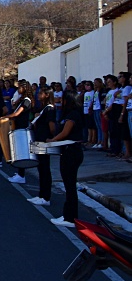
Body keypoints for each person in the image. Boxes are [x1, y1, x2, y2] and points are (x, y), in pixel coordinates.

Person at [49, 91, 85, 227]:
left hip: (72, 151)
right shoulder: (70, 114)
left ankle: (70, 218)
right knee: (69, 185)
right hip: (69, 151)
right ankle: (69, 215)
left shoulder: (73, 115)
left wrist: (51, 140)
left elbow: (65, 133)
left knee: (70, 186)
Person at [27, 87, 56, 206]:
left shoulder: (50, 109)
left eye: (41, 93)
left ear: (47, 95)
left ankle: (46, 197)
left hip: (44, 141)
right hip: (38, 140)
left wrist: (52, 139)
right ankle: (41, 194)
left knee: (45, 168)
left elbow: (52, 127)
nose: (39, 95)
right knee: (40, 168)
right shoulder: (43, 109)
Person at [4, 80, 34, 184]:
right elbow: (14, 109)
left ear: (25, 88)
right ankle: (20, 173)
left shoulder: (27, 100)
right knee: (18, 151)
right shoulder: (22, 100)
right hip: (18, 126)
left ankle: (21, 175)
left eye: (20, 87)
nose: (18, 89)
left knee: (21, 152)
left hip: (22, 127)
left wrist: (4, 117)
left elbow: (17, 114)